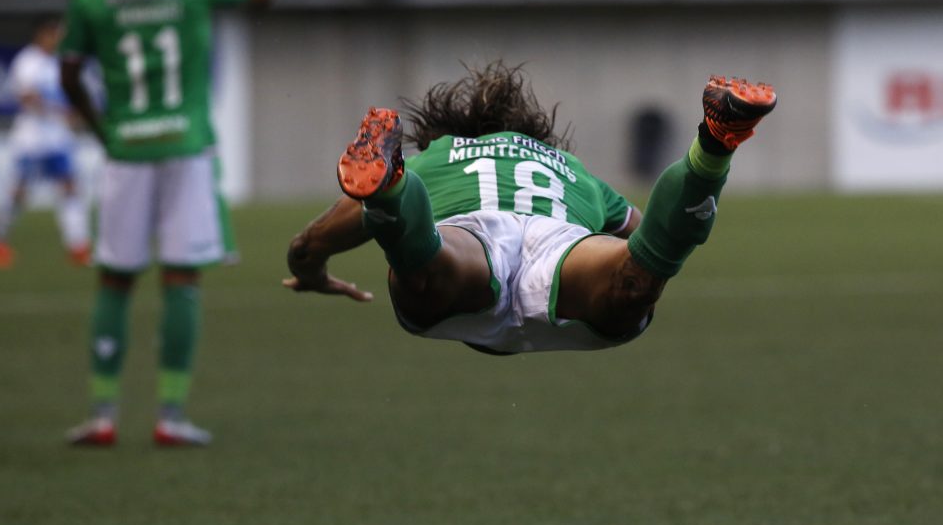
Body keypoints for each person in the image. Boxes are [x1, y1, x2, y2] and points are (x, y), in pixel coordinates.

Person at [284, 62, 776, 355]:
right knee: (639, 277)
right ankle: (713, 146)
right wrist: (647, 260)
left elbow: (313, 241)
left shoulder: (437, 156)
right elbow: (646, 229)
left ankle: (392, 192)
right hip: (563, 241)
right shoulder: (574, 170)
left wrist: (308, 268)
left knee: (426, 270)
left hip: (471, 237)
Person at [59, 0, 273, 446]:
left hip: (126, 150)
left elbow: (69, 70)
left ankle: (103, 416)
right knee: (181, 279)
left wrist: (103, 131)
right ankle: (171, 416)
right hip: (185, 147)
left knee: (115, 279)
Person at [0, 17, 91, 270]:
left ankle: (79, 245)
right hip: (32, 139)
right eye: (53, 34)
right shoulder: (27, 61)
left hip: (59, 139)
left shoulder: (60, 62)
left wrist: (74, 114)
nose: (57, 39)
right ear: (41, 34)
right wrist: (60, 112)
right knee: (19, 192)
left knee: (70, 189)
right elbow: (27, 97)